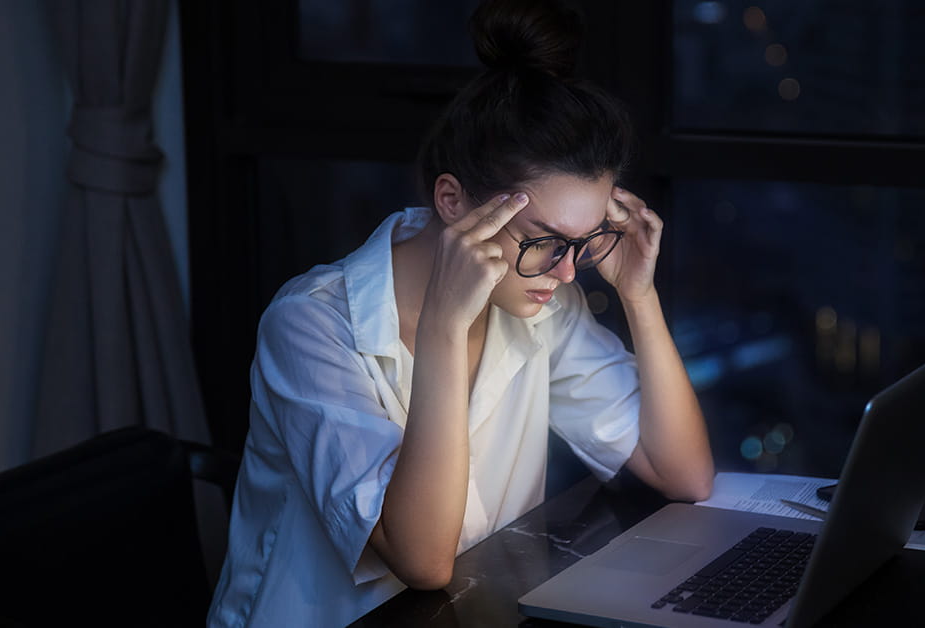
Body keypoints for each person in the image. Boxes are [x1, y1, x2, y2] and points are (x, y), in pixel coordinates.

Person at [207, 1, 713, 626]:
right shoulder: (311, 325)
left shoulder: (542, 300)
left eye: (582, 243)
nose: (564, 271)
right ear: (452, 201)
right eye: (543, 240)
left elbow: (684, 473)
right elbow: (422, 560)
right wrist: (447, 327)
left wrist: (640, 297)